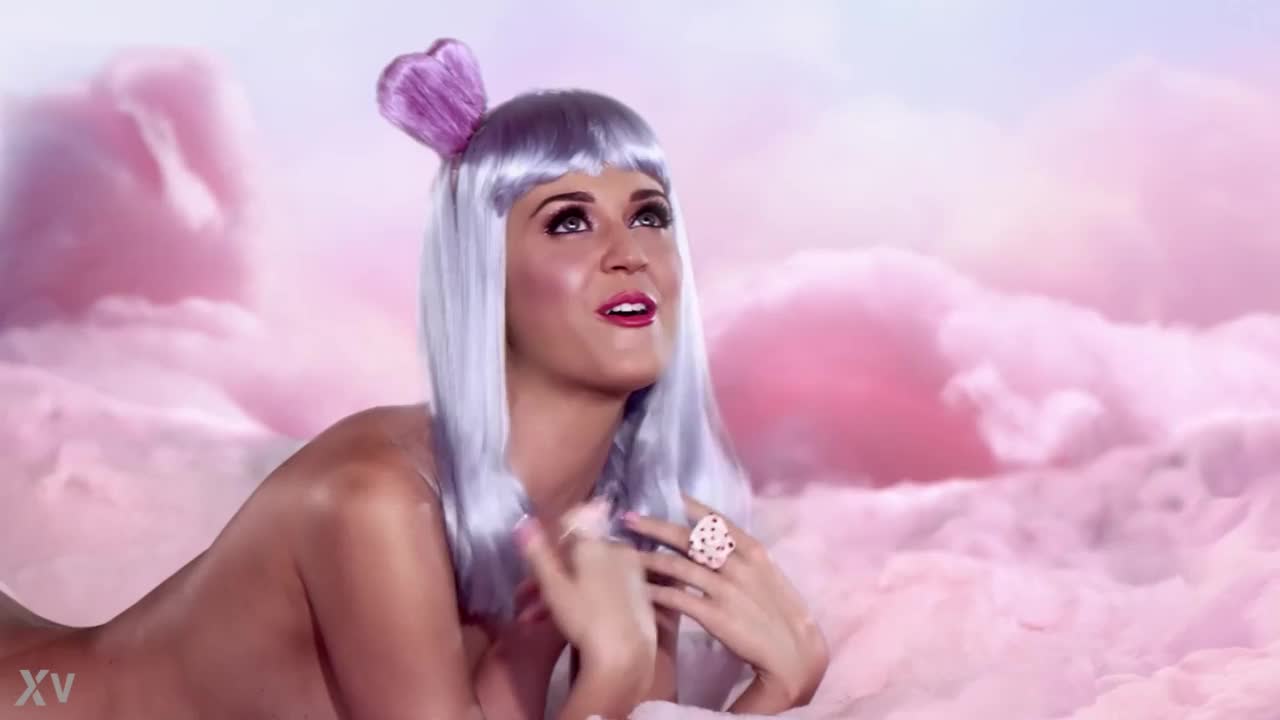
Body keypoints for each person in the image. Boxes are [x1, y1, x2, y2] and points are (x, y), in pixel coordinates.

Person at [0, 38, 828, 719]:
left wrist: (777, 691)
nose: (630, 253)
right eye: (570, 220)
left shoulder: (618, 512)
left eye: (649, 214)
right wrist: (608, 680)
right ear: (485, 275)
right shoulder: (377, 503)